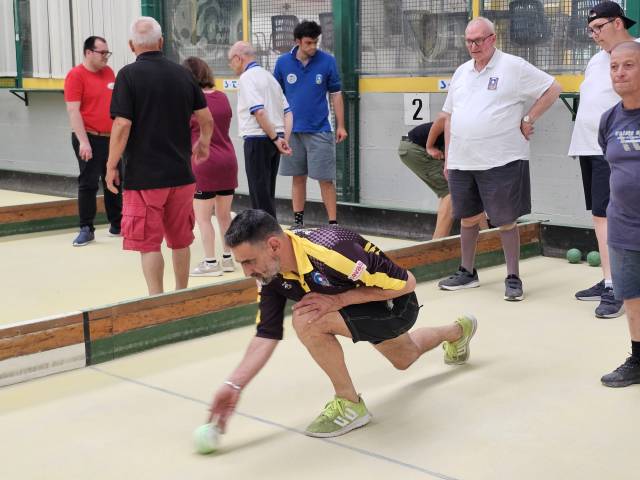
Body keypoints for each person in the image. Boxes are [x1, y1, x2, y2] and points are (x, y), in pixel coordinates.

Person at [207, 209, 478, 438]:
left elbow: (407, 282)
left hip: (395, 305)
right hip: (354, 307)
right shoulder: (270, 275)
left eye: (249, 262)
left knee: (307, 318)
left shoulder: (333, 251)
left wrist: (339, 301)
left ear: (273, 245)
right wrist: (234, 385)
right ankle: (458, 331)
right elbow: (266, 334)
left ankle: (350, 404)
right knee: (405, 357)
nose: (247, 271)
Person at [437, 17, 561, 301]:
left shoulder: (513, 67)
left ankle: (513, 277)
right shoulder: (461, 72)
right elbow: (449, 117)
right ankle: (467, 272)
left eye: (479, 40)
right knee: (467, 218)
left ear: (493, 38)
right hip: (462, 160)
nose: (473, 46)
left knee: (505, 220)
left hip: (502, 159)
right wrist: (449, 158)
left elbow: (553, 88)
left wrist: (529, 117)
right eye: (469, 41)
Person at [105, 17, 213, 295]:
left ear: (131, 45)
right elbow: (206, 117)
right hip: (181, 176)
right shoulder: (183, 74)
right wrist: (203, 143)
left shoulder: (127, 76)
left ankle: (157, 299)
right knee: (181, 240)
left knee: (149, 243)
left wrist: (110, 164)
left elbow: (122, 125)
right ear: (161, 42)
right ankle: (181, 293)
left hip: (144, 178)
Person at [568, 1, 635, 318]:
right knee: (599, 216)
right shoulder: (596, 62)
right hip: (588, 147)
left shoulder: (635, 53)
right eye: (590, 30)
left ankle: (616, 287)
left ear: (619, 23)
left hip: (616, 149)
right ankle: (610, 278)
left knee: (611, 218)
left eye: (599, 27)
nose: (593, 35)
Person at [273, 20, 347, 228]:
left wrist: (341, 125)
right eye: (308, 43)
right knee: (298, 177)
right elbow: (276, 96)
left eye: (315, 42)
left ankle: (333, 224)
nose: (313, 47)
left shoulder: (327, 61)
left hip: (320, 130)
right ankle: (298, 223)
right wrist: (279, 129)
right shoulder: (282, 63)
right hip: (292, 132)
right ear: (297, 41)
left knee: (326, 179)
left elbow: (336, 95)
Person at [598, 41, 640, 387]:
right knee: (633, 298)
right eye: (614, 67)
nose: (620, 73)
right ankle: (639, 360)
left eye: (629, 65)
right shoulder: (609, 119)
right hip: (624, 228)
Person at [64, 36, 122, 247]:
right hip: (88, 137)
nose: (106, 56)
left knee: (114, 179)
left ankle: (117, 224)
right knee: (88, 183)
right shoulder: (76, 75)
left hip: (111, 138)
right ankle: (86, 228)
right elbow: (73, 110)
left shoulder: (109, 72)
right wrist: (83, 142)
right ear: (89, 52)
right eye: (102, 52)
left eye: (108, 52)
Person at [182, 57, 238, 277]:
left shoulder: (188, 102)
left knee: (203, 217)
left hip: (203, 163)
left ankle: (210, 261)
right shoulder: (222, 97)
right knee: (224, 215)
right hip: (227, 160)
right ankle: (227, 258)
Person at [228, 41, 292, 220]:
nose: (230, 65)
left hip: (258, 139)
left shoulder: (247, 78)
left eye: (230, 61)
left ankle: (267, 239)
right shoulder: (270, 78)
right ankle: (270, 236)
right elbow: (288, 113)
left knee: (259, 196)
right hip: (275, 141)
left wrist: (274, 138)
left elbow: (259, 111)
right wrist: (282, 139)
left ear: (238, 58)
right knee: (267, 193)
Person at [399, 116, 453, 238]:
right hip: (414, 146)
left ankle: (485, 232)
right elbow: (443, 118)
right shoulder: (462, 120)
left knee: (454, 190)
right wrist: (430, 146)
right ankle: (438, 244)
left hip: (413, 144)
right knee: (451, 191)